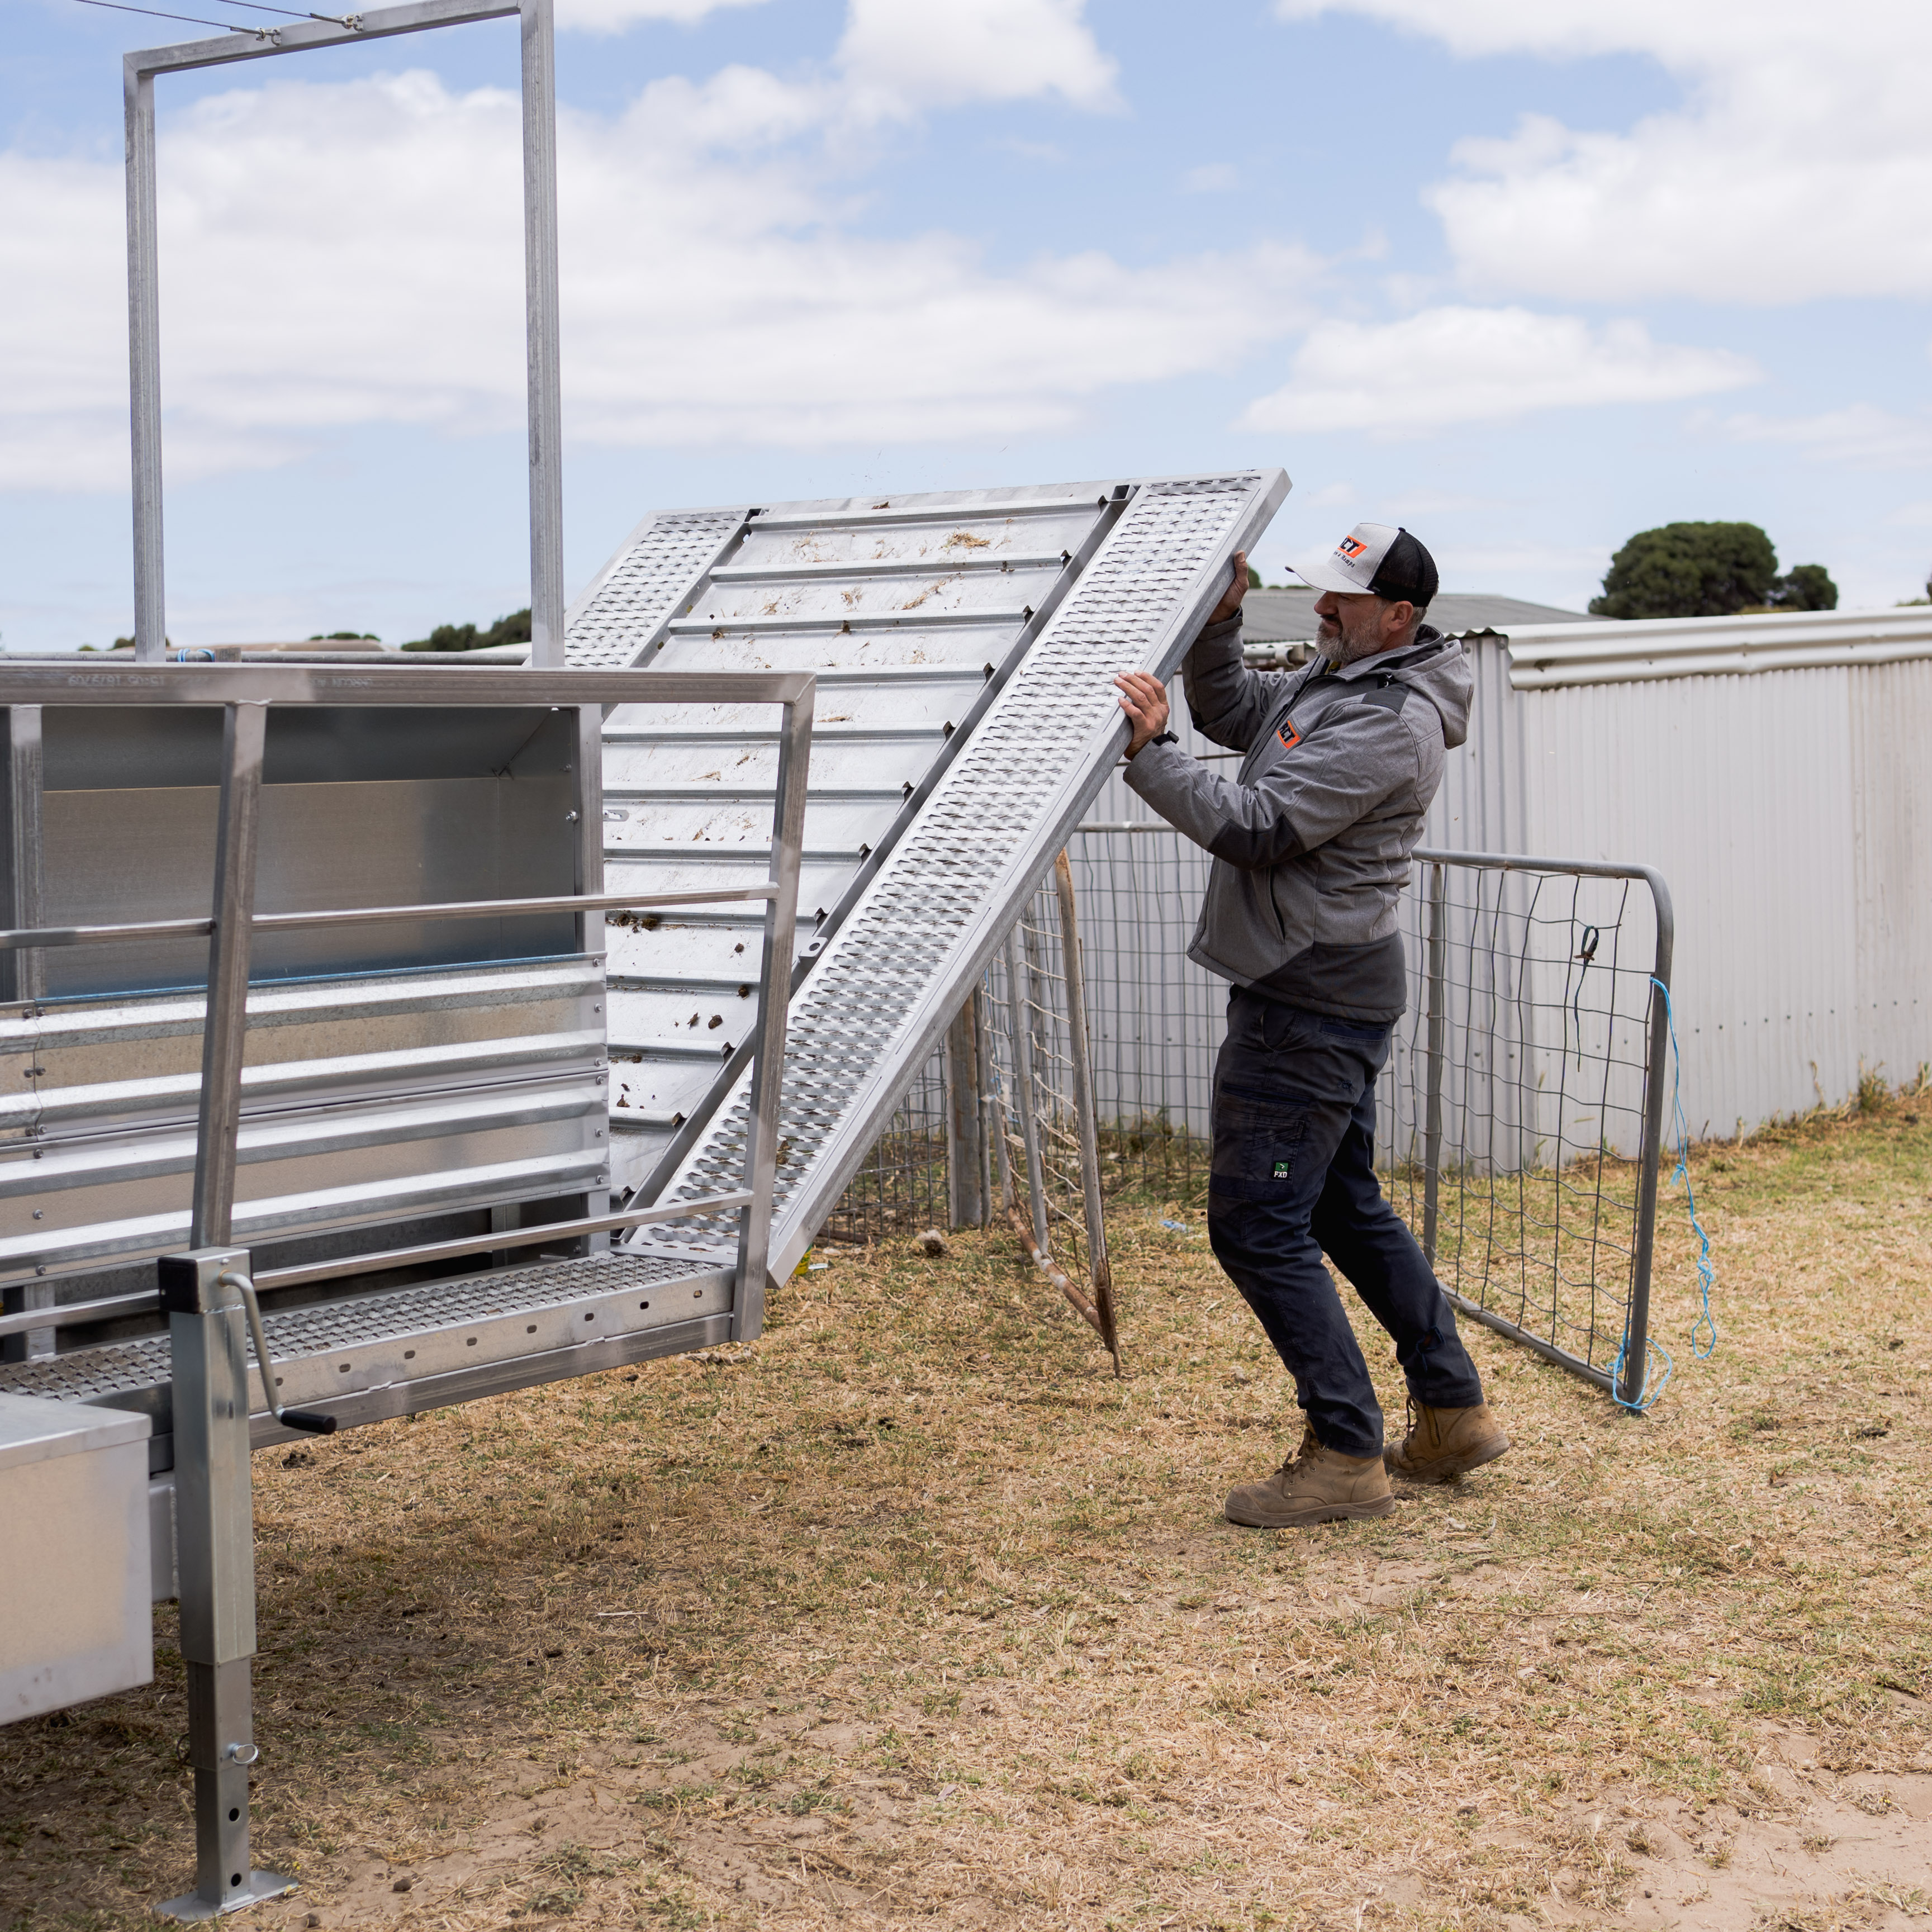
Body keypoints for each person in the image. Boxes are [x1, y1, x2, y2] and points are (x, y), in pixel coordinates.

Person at [1112, 522, 1508, 1528]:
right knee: (1339, 1205)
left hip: (1307, 995)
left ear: (1400, 616)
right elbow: (1238, 709)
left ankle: (1343, 1450)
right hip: (1323, 979)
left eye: (1342, 598)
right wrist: (1223, 620)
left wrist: (1148, 754)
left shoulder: (1390, 723)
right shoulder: (1340, 678)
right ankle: (1453, 1411)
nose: (1323, 609)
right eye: (1319, 592)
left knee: (1256, 1224)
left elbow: (1259, 829)